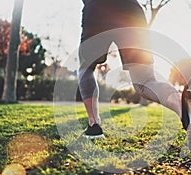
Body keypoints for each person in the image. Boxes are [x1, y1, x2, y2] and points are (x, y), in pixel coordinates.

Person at [78, 0, 184, 138]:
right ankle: (183, 106)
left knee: (86, 69)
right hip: (131, 11)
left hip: (96, 10)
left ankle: (94, 125)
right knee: (146, 81)